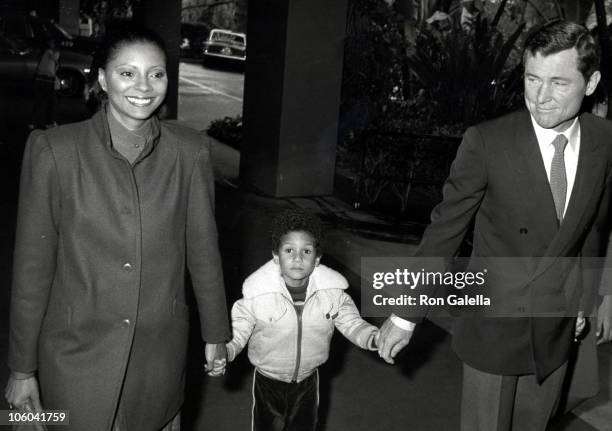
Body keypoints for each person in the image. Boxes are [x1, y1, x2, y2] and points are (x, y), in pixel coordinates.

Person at [376, 21, 612, 430]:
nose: (540, 97)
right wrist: (405, 313)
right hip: (494, 327)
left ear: (590, 83)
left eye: (558, 82)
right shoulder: (487, 142)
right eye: (532, 78)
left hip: (555, 327)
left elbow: (593, 226)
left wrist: (587, 299)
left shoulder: (602, 140)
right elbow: (444, 232)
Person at [4, 25, 230, 430]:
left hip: (160, 358)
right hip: (75, 358)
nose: (143, 86)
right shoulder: (54, 151)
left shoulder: (190, 151)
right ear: (103, 79)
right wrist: (22, 370)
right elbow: (32, 269)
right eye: (127, 73)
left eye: (156, 73)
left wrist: (216, 332)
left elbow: (203, 251)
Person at [226, 209, 378, 431]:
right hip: (269, 380)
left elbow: (352, 322)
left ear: (317, 259)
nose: (297, 258)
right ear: (276, 256)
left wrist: (372, 337)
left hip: (308, 380)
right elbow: (238, 329)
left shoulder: (332, 294)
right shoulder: (257, 295)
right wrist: (227, 349)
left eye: (306, 251)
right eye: (289, 250)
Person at [30, 38, 60, 129]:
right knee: (51, 102)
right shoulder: (50, 53)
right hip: (47, 80)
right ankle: (49, 122)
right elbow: (55, 59)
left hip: (39, 79)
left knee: (39, 102)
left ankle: (33, 122)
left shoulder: (42, 53)